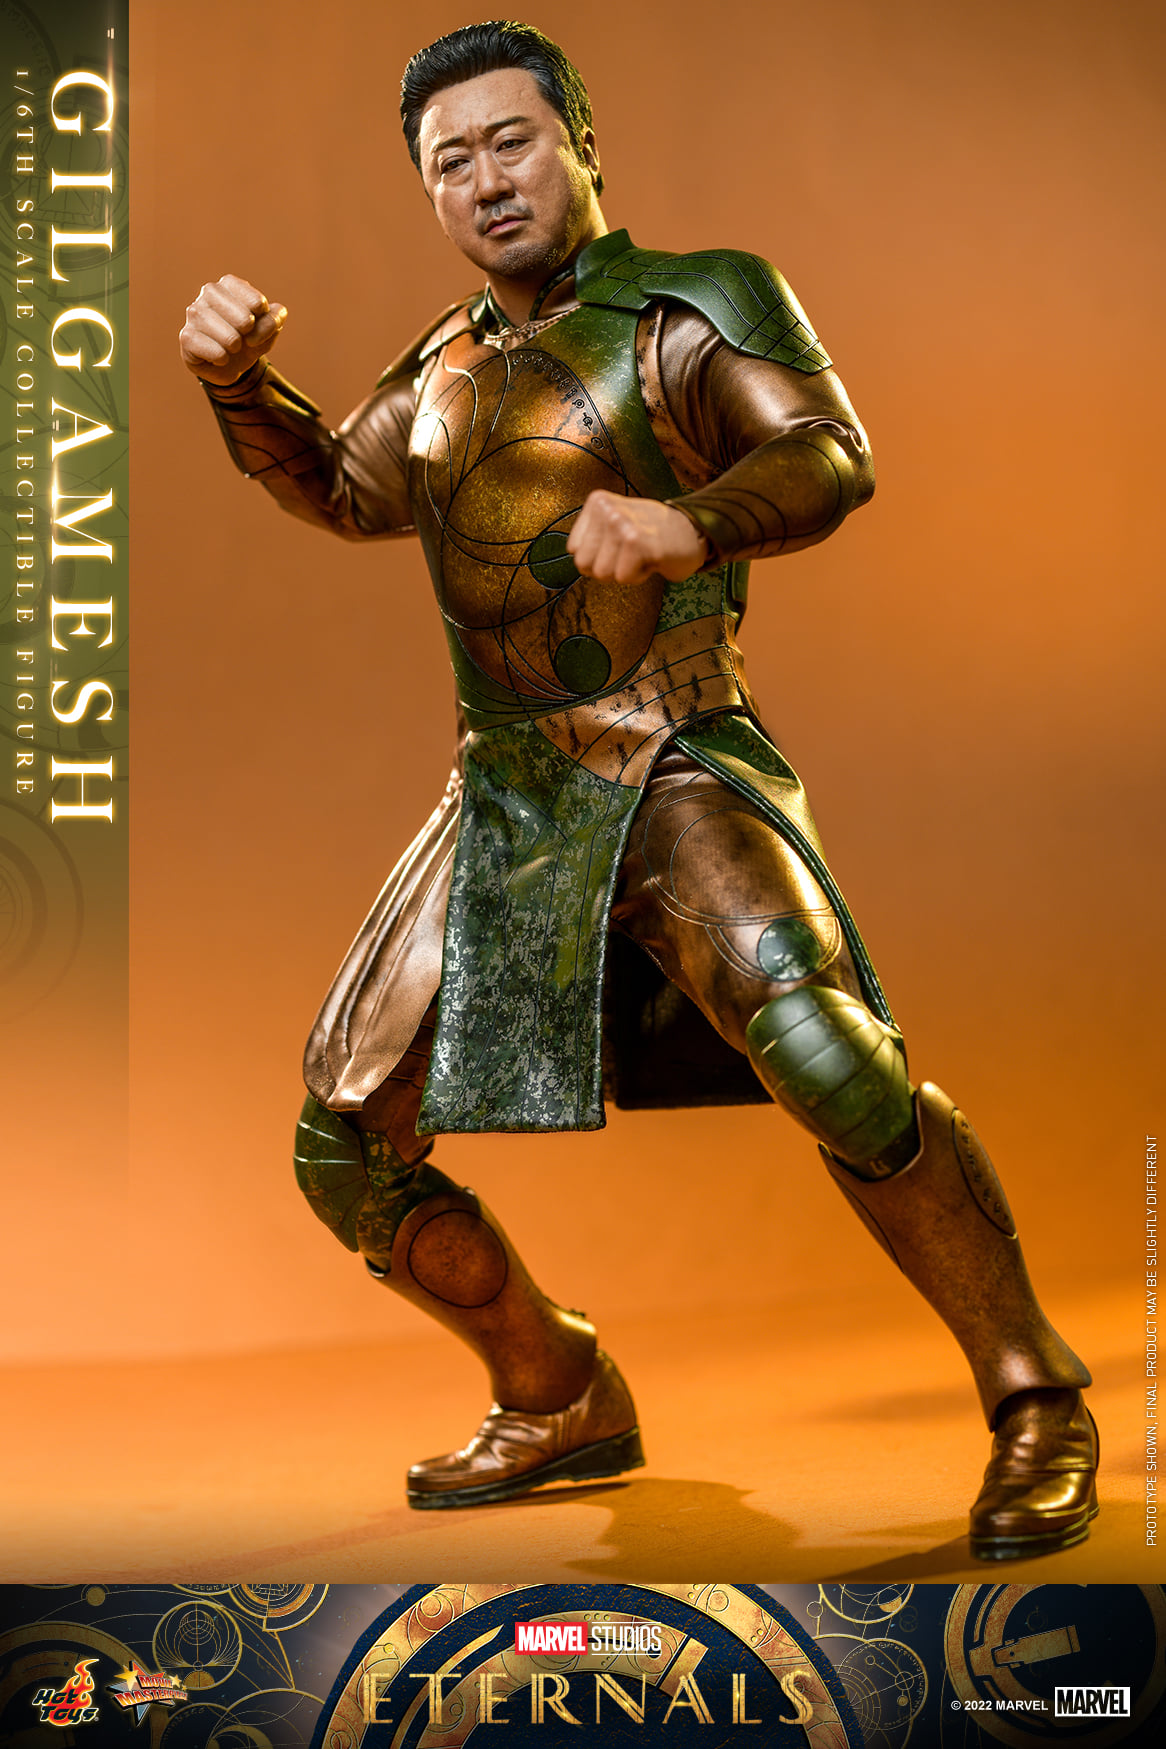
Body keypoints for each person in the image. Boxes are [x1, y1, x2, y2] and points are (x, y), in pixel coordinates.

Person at [179, 20, 1098, 1558]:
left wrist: (696, 523)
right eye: (450, 162)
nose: (486, 181)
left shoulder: (693, 301)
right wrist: (237, 384)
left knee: (822, 1045)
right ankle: (555, 1386)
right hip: (510, 792)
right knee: (340, 1141)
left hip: (670, 745)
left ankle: (1035, 1396)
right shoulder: (447, 361)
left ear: (581, 142)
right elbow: (342, 486)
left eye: (511, 142)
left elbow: (826, 452)